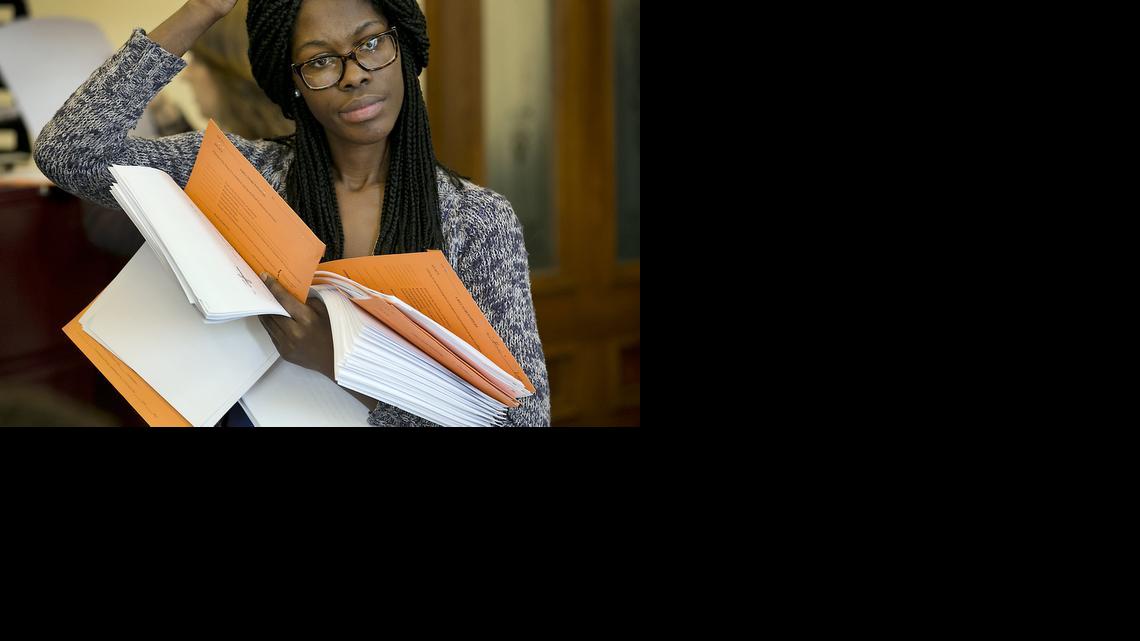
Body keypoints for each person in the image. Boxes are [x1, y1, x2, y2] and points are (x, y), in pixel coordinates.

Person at [34, 0, 550, 427]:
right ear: (294, 84)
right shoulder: (242, 176)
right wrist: (202, 10)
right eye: (320, 60)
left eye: (371, 43)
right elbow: (70, 151)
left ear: (405, 49)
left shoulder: (477, 221)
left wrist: (343, 364)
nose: (353, 76)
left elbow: (525, 420)